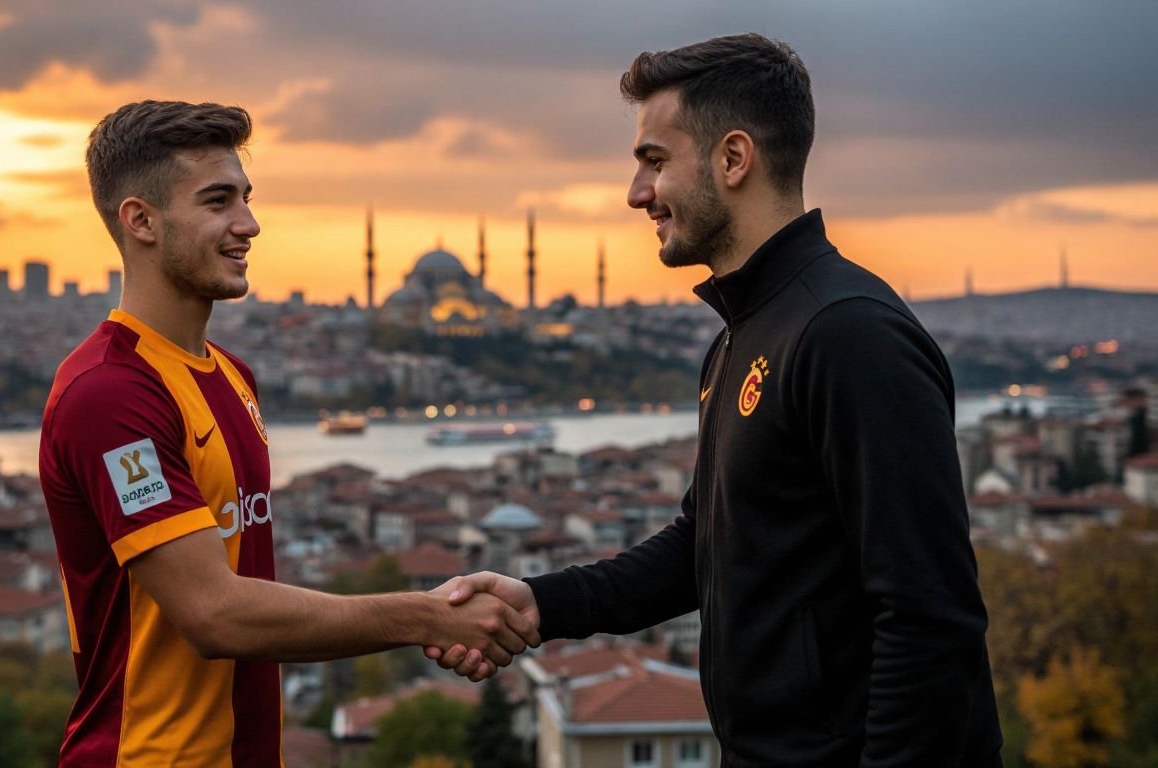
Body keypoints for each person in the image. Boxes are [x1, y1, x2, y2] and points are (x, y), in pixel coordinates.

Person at [430, 34, 1003, 766]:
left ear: (734, 159)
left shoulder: (849, 335)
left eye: (655, 162)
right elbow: (702, 545)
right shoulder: (744, 335)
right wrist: (541, 605)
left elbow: (930, 619)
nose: (637, 194)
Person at [40, 100, 538, 767]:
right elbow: (214, 614)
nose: (248, 224)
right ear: (141, 221)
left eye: (246, 199)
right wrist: (427, 617)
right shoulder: (110, 393)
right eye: (218, 202)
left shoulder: (230, 377)